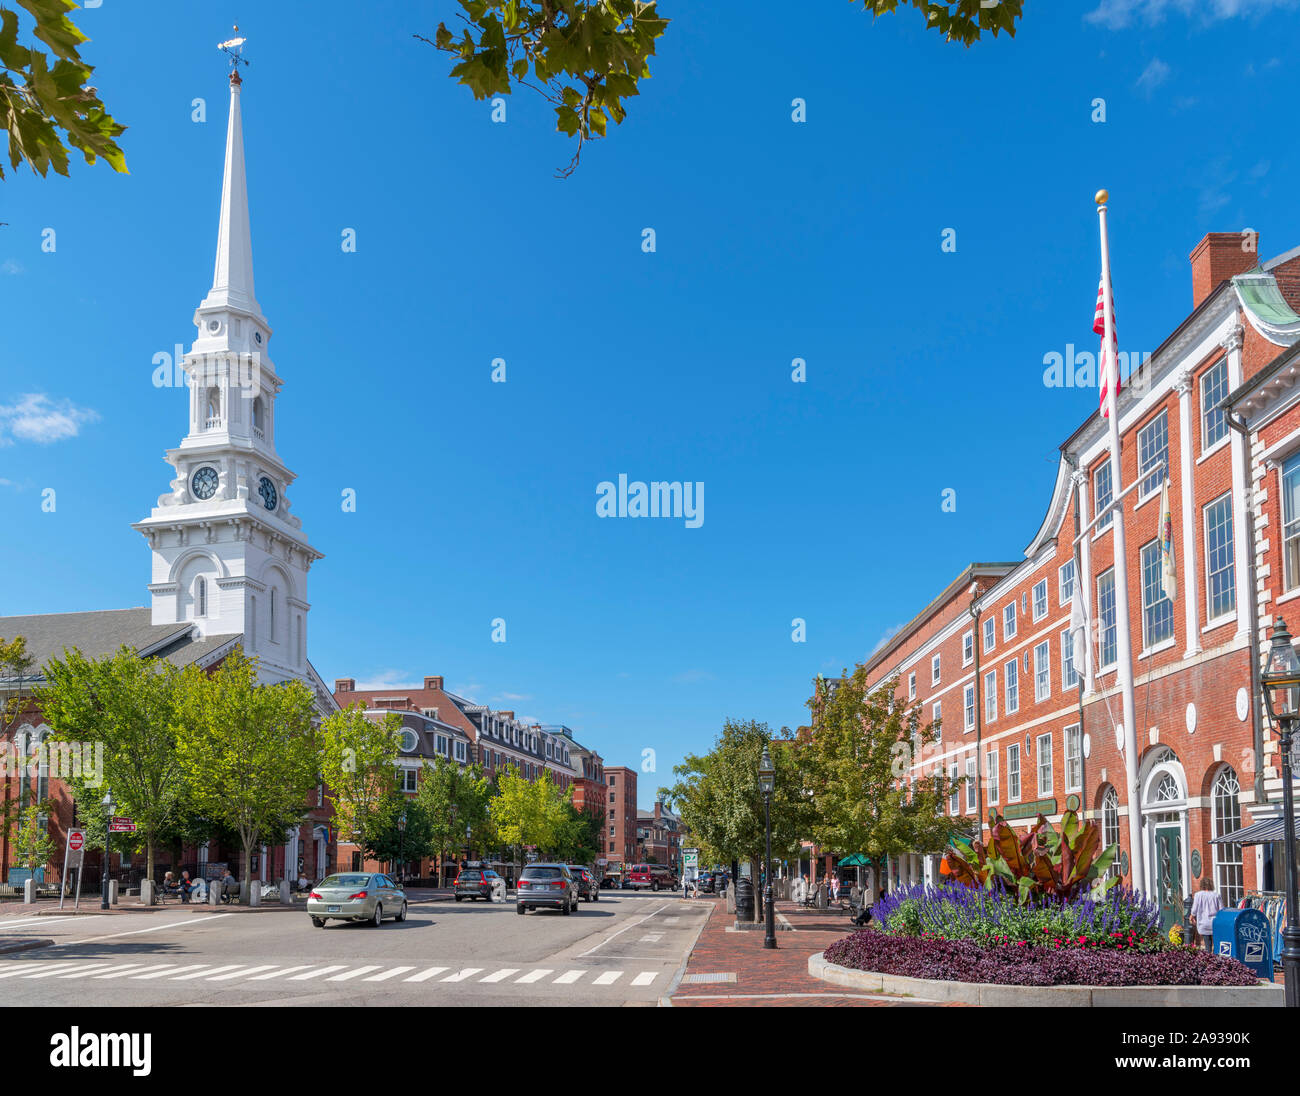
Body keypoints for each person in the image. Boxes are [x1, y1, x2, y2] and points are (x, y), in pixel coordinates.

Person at [1190, 877, 1223, 951]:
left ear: (1201, 885)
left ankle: (1209, 959)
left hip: (1203, 922)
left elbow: (1194, 909)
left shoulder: (1198, 895)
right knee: (1217, 944)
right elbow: (1221, 910)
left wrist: (1191, 917)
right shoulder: (1217, 895)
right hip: (1215, 923)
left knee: (1207, 944)